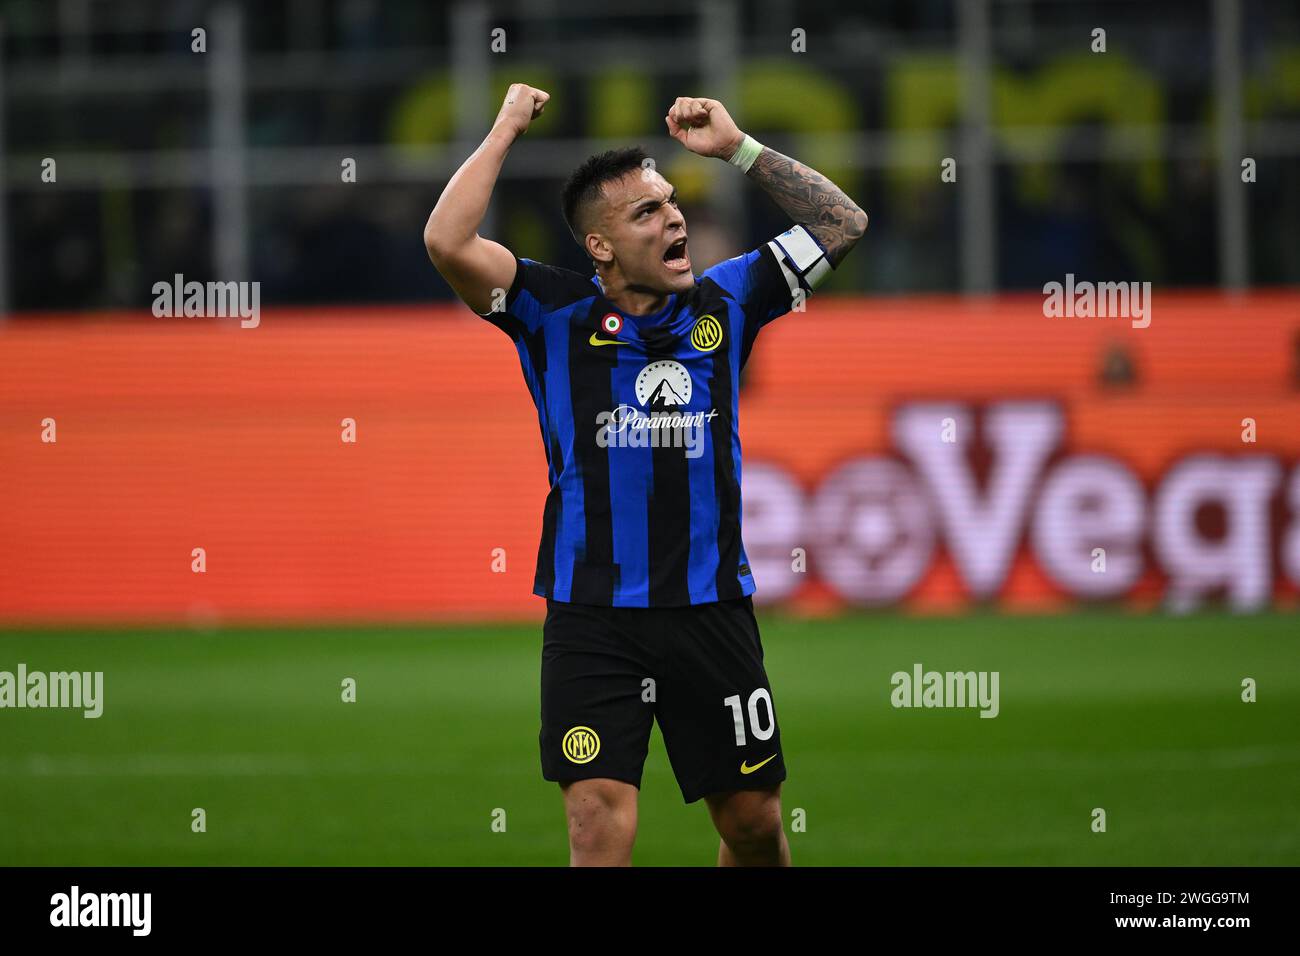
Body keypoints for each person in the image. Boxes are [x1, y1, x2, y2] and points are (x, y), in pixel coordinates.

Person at [424, 83, 867, 866]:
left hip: (710, 607)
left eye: (671, 204)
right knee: (599, 826)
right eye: (646, 212)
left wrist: (740, 148)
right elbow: (447, 242)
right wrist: (503, 130)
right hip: (593, 613)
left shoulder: (729, 300)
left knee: (753, 824)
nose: (674, 219)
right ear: (599, 245)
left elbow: (843, 222)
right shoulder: (546, 310)